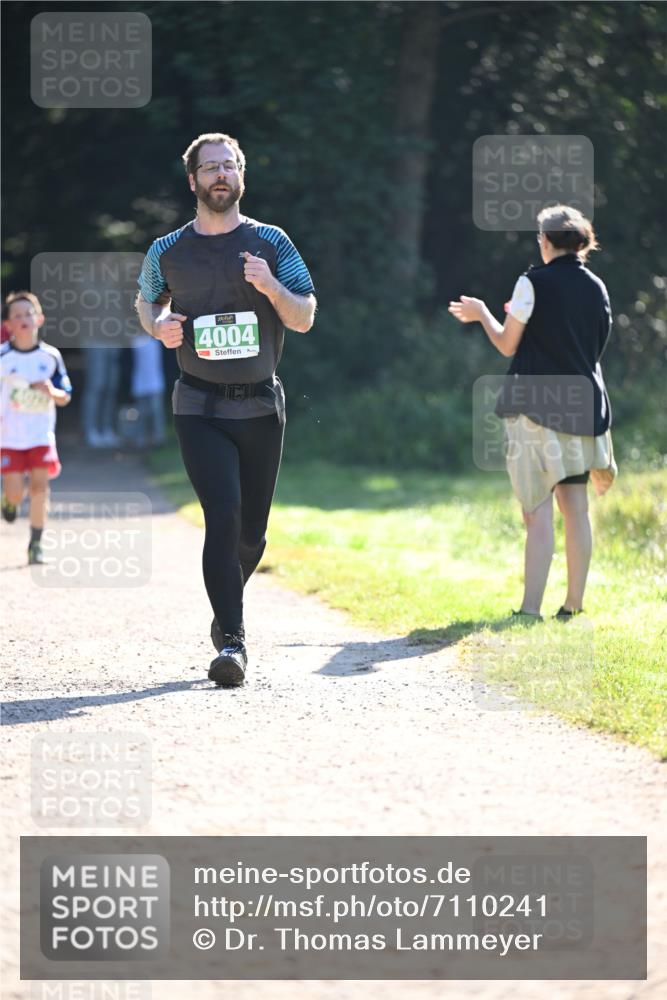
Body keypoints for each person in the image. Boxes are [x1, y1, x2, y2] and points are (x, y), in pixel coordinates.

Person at [135, 132, 316, 686]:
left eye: (228, 166)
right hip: (199, 403)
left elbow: (305, 314)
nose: (220, 175)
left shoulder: (271, 243)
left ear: (241, 177)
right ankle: (233, 644)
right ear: (192, 181)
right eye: (209, 168)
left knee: (252, 536)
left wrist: (270, 287)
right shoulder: (167, 249)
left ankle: (224, 610)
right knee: (223, 514)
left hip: (260, 404)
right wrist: (158, 325)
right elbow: (146, 301)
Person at [448, 204, 616, 620]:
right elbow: (592, 347)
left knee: (535, 508)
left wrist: (482, 314)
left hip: (537, 406)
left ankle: (529, 610)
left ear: (545, 241)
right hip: (582, 405)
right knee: (575, 508)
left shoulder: (532, 282)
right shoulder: (597, 286)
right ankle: (573, 606)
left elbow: (507, 344)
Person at [0, 290, 72, 564]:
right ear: (8, 325)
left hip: (41, 434)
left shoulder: (51, 356)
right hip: (9, 436)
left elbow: (65, 395)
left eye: (28, 313)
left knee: (40, 488)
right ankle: (8, 501)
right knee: (16, 491)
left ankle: (36, 544)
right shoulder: (3, 357)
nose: (23, 318)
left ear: (39, 319)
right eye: (16, 315)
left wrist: (51, 391)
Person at [130, 332, 166, 448]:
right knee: (142, 413)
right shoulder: (136, 341)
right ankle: (141, 439)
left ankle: (158, 438)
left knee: (157, 413)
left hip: (156, 383)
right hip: (140, 383)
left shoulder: (156, 340)